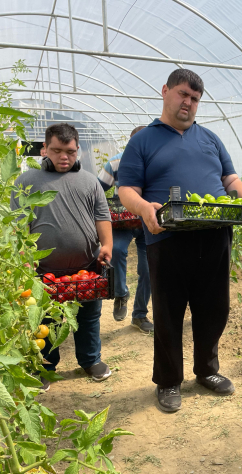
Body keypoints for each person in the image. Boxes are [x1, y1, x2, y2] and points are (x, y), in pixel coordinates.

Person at [118, 68, 242, 413]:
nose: (188, 102)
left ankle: (207, 371)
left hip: (215, 233)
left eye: (194, 98)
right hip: (168, 237)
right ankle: (168, 380)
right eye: (182, 94)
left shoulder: (210, 138)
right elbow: (126, 189)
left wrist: (239, 198)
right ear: (165, 91)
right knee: (169, 311)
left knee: (214, 307)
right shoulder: (143, 140)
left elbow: (230, 177)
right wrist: (145, 208)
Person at [11, 123, 114, 392]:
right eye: (56, 150)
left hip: (86, 268)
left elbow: (102, 217)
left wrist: (107, 245)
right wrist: (23, 255)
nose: (64, 157)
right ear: (44, 149)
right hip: (44, 269)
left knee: (89, 317)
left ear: (77, 150)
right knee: (45, 319)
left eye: (69, 151)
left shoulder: (89, 181)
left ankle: (90, 360)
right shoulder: (27, 181)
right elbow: (19, 224)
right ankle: (45, 367)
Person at [97, 126, 153, 334]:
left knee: (147, 268)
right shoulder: (115, 163)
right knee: (117, 250)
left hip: (148, 222)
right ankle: (121, 294)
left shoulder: (156, 161)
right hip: (122, 220)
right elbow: (97, 189)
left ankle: (139, 315)